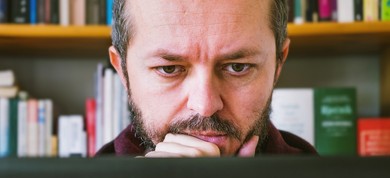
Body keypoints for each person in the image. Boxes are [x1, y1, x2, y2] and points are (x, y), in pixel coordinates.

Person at [96, 0, 318, 157]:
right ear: (123, 71)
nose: (205, 106)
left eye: (237, 67)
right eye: (169, 69)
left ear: (278, 63)